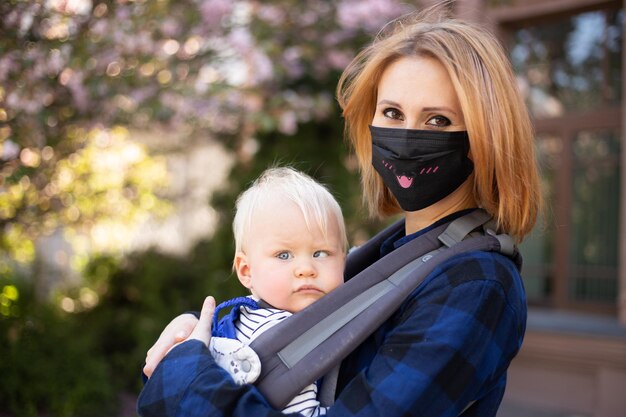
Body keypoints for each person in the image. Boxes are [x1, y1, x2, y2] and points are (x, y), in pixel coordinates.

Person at [138, 4, 542, 417]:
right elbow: (288, 316)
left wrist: (186, 378)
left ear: (485, 137)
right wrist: (197, 330)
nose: (405, 139)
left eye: (438, 120)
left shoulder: (474, 285)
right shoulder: (392, 257)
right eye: (392, 113)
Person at [139, 166, 348, 417]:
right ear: (247, 271)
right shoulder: (235, 318)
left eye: (321, 253)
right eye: (284, 255)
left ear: (343, 261)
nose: (306, 268)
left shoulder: (334, 326)